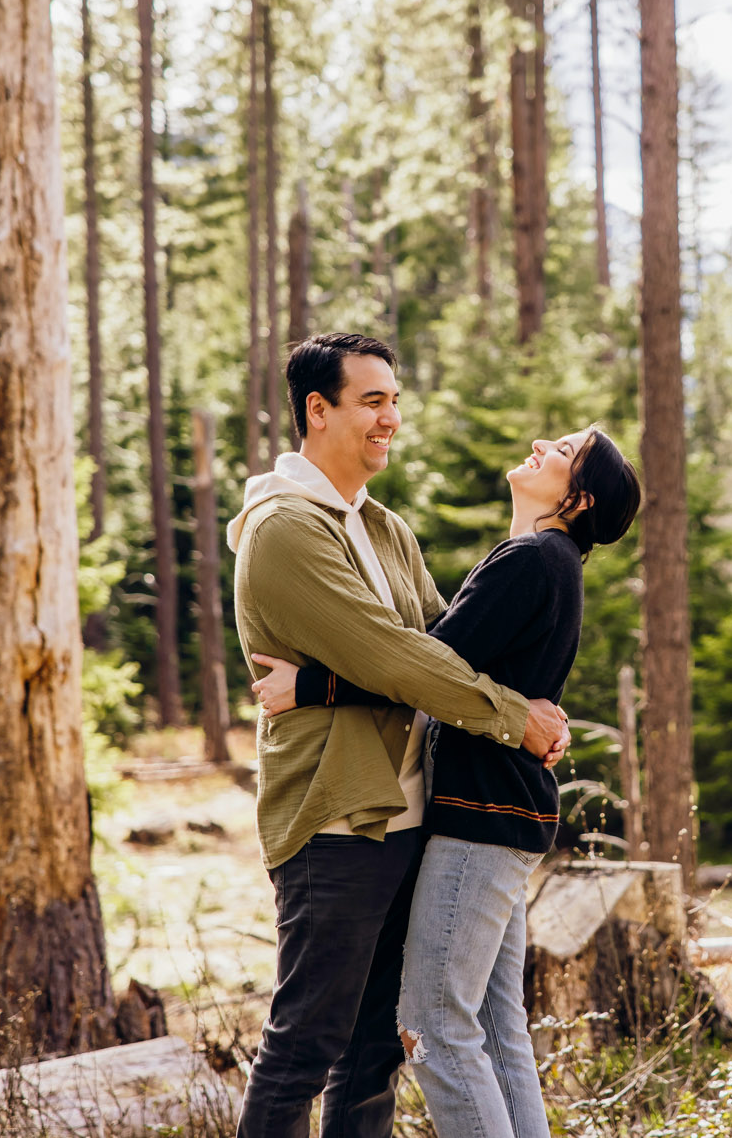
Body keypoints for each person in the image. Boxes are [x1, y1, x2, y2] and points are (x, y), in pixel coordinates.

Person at [226, 333, 573, 1138]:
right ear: (318, 410)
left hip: (409, 815)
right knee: (304, 1047)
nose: (392, 418)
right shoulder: (286, 529)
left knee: (374, 1053)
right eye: (372, 401)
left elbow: (440, 651)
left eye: (395, 400)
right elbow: (393, 657)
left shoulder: (382, 529)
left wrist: (318, 683)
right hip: (337, 819)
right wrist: (515, 716)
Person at [252, 424, 642, 1138]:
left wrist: (314, 684)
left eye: (560, 451)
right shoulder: (549, 560)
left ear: (578, 497)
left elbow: (424, 668)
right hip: (508, 817)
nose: (538, 446)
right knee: (497, 1027)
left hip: (478, 817)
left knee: (433, 1025)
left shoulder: (530, 559)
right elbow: (451, 665)